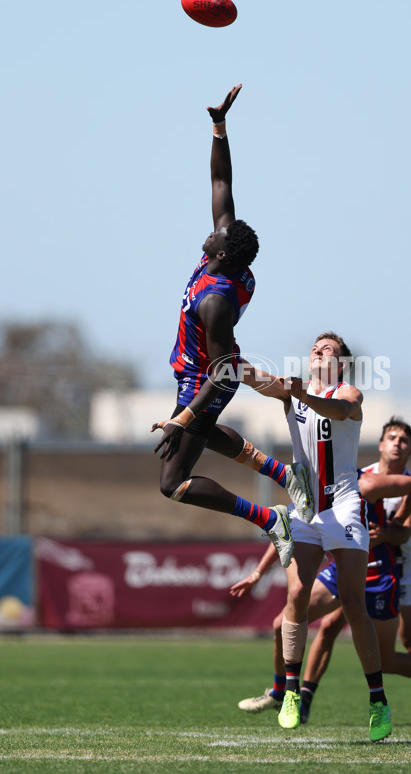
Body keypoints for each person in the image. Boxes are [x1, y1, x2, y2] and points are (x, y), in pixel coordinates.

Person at [233, 418, 411, 727]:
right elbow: (294, 525)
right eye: (391, 438)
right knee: (299, 624)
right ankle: (293, 696)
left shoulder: (379, 483)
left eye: (404, 440)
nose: (396, 444)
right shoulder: (346, 478)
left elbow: (406, 523)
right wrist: (259, 571)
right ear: (379, 444)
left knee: (410, 646)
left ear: (410, 449)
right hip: (347, 568)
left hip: (392, 569)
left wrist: (390, 529)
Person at [150, 84, 301, 569]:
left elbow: (221, 374)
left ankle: (268, 519)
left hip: (210, 377)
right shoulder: (224, 254)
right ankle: (284, 472)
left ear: (217, 253)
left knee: (172, 482)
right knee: (205, 432)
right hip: (202, 371)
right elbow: (221, 185)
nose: (213, 224)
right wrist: (219, 126)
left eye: (216, 231)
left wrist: (184, 417)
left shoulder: (216, 299)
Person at [240, 333, 392, 742]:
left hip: (342, 506)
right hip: (307, 509)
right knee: (296, 596)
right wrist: (226, 358)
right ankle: (290, 692)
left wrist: (300, 392)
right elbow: (254, 378)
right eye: (315, 348)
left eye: (328, 350)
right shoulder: (294, 391)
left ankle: (378, 700)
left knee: (353, 603)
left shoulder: (348, 393)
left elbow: (339, 411)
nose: (318, 352)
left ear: (340, 363)